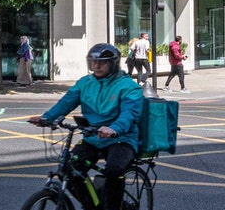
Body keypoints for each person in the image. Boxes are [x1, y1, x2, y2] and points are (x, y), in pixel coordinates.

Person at [28, 43, 143, 210]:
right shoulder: (85, 83)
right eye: (93, 62)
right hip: (93, 137)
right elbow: (66, 102)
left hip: (121, 138)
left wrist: (114, 129)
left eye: (102, 62)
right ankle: (91, 205)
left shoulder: (128, 86)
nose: (96, 66)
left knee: (114, 170)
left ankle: (114, 207)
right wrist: (46, 118)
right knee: (71, 168)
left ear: (113, 63)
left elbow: (130, 113)